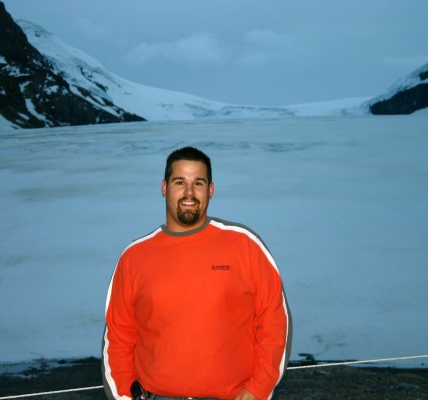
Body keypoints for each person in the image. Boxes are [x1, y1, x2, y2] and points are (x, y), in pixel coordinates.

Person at [102, 146, 292, 400]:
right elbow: (119, 337)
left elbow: (274, 323)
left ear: (210, 190)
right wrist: (125, 397)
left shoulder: (244, 245)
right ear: (164, 188)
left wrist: (257, 391)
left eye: (198, 183)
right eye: (180, 182)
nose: (189, 193)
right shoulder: (134, 257)